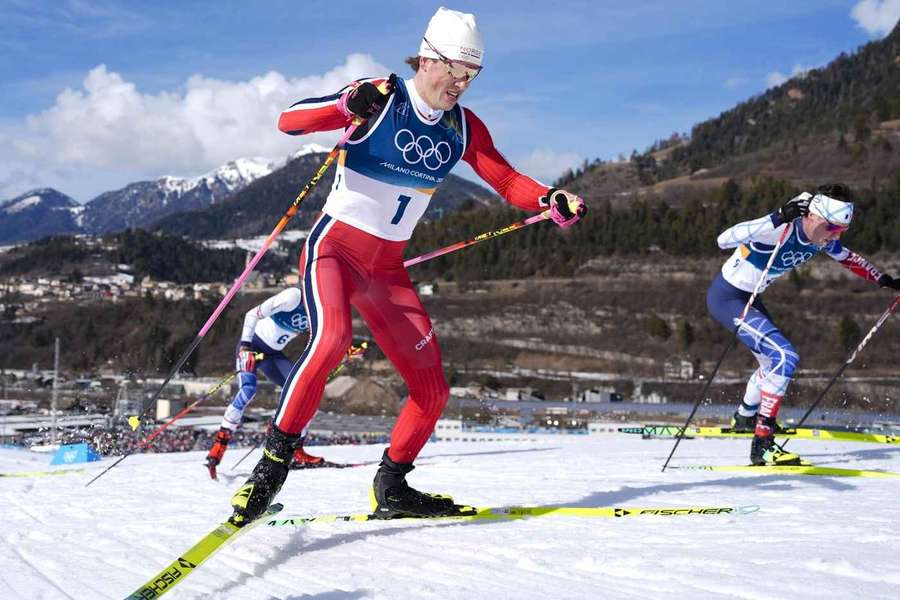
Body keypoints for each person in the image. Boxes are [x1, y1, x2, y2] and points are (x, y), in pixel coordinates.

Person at [229, 7, 586, 526]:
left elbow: (507, 181)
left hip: (387, 272)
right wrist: (345, 102)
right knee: (329, 341)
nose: (460, 84)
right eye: (454, 71)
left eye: (471, 75)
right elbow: (290, 121)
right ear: (426, 58)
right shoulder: (381, 96)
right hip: (335, 251)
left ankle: (391, 485)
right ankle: (270, 470)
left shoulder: (463, 128)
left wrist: (548, 197)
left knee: (432, 389)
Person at [707, 183, 900, 466]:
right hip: (727, 298)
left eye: (841, 231)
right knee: (785, 357)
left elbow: (847, 257)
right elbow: (724, 239)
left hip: (751, 298)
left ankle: (745, 417)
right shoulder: (781, 228)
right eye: (830, 227)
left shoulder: (820, 237)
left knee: (771, 364)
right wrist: (777, 217)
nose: (834, 236)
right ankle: (762, 444)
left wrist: (883, 280)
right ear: (811, 216)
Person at [205, 287, 325, 479]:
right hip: (252, 346)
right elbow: (253, 313)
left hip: (273, 355)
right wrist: (245, 345)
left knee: (305, 392)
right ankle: (219, 446)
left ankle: (296, 449)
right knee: (248, 390)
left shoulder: (321, 309)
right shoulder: (294, 297)